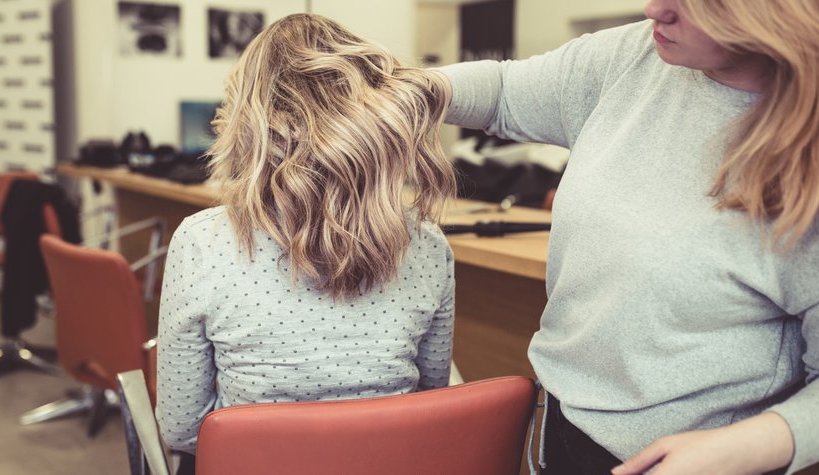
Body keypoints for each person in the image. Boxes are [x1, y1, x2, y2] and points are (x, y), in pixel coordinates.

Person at [435, 0, 818, 474]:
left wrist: (744, 448)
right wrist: (405, 91)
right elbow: (503, 91)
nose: (653, 9)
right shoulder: (633, 56)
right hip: (559, 429)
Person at [156, 13, 457, 474]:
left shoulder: (203, 241)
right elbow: (430, 399)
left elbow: (182, 429)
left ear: (247, 121)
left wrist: (275, 433)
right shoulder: (428, 245)